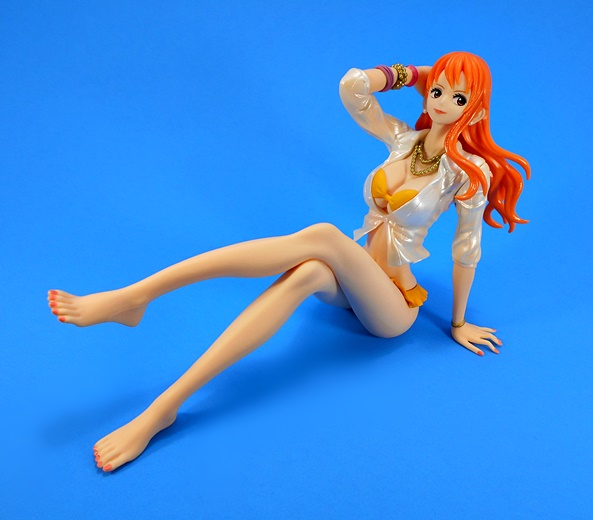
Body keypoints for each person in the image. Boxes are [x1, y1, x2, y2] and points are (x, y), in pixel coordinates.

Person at [47, 51, 530, 472]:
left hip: (394, 306)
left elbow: (466, 249)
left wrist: (458, 323)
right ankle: (164, 406)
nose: (442, 102)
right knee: (309, 272)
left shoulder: (468, 171)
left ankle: (136, 298)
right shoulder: (403, 139)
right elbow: (353, 86)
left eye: (458, 97)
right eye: (438, 91)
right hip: (355, 282)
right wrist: (420, 73)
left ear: (475, 107)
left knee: (322, 235)